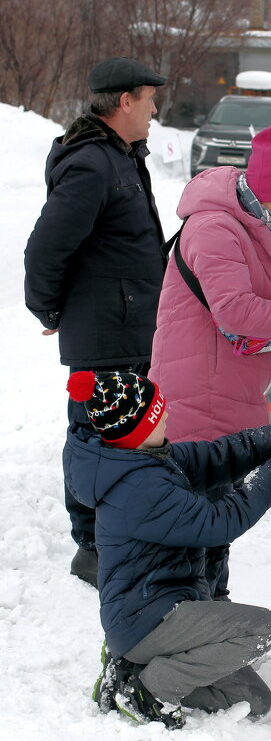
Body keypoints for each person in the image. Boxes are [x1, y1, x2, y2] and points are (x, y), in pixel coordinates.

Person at [63, 368, 271, 728]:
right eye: (158, 414)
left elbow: (216, 456)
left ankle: (132, 668)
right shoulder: (139, 489)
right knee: (260, 628)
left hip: (164, 606)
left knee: (254, 701)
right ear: (139, 429)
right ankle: (146, 690)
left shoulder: (144, 458)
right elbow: (219, 522)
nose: (167, 415)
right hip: (146, 617)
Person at [149, 124, 271, 598]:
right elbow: (238, 311)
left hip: (222, 397)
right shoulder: (215, 229)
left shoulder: (248, 229)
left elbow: (260, 296)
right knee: (199, 526)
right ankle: (195, 623)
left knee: (216, 524)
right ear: (265, 193)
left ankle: (215, 610)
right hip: (195, 400)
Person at [23, 57, 168, 587]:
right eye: (150, 100)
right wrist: (48, 307)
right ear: (125, 102)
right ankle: (91, 546)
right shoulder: (92, 163)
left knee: (126, 434)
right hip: (106, 328)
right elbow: (45, 247)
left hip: (127, 321)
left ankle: (118, 537)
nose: (155, 110)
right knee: (94, 434)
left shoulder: (122, 158)